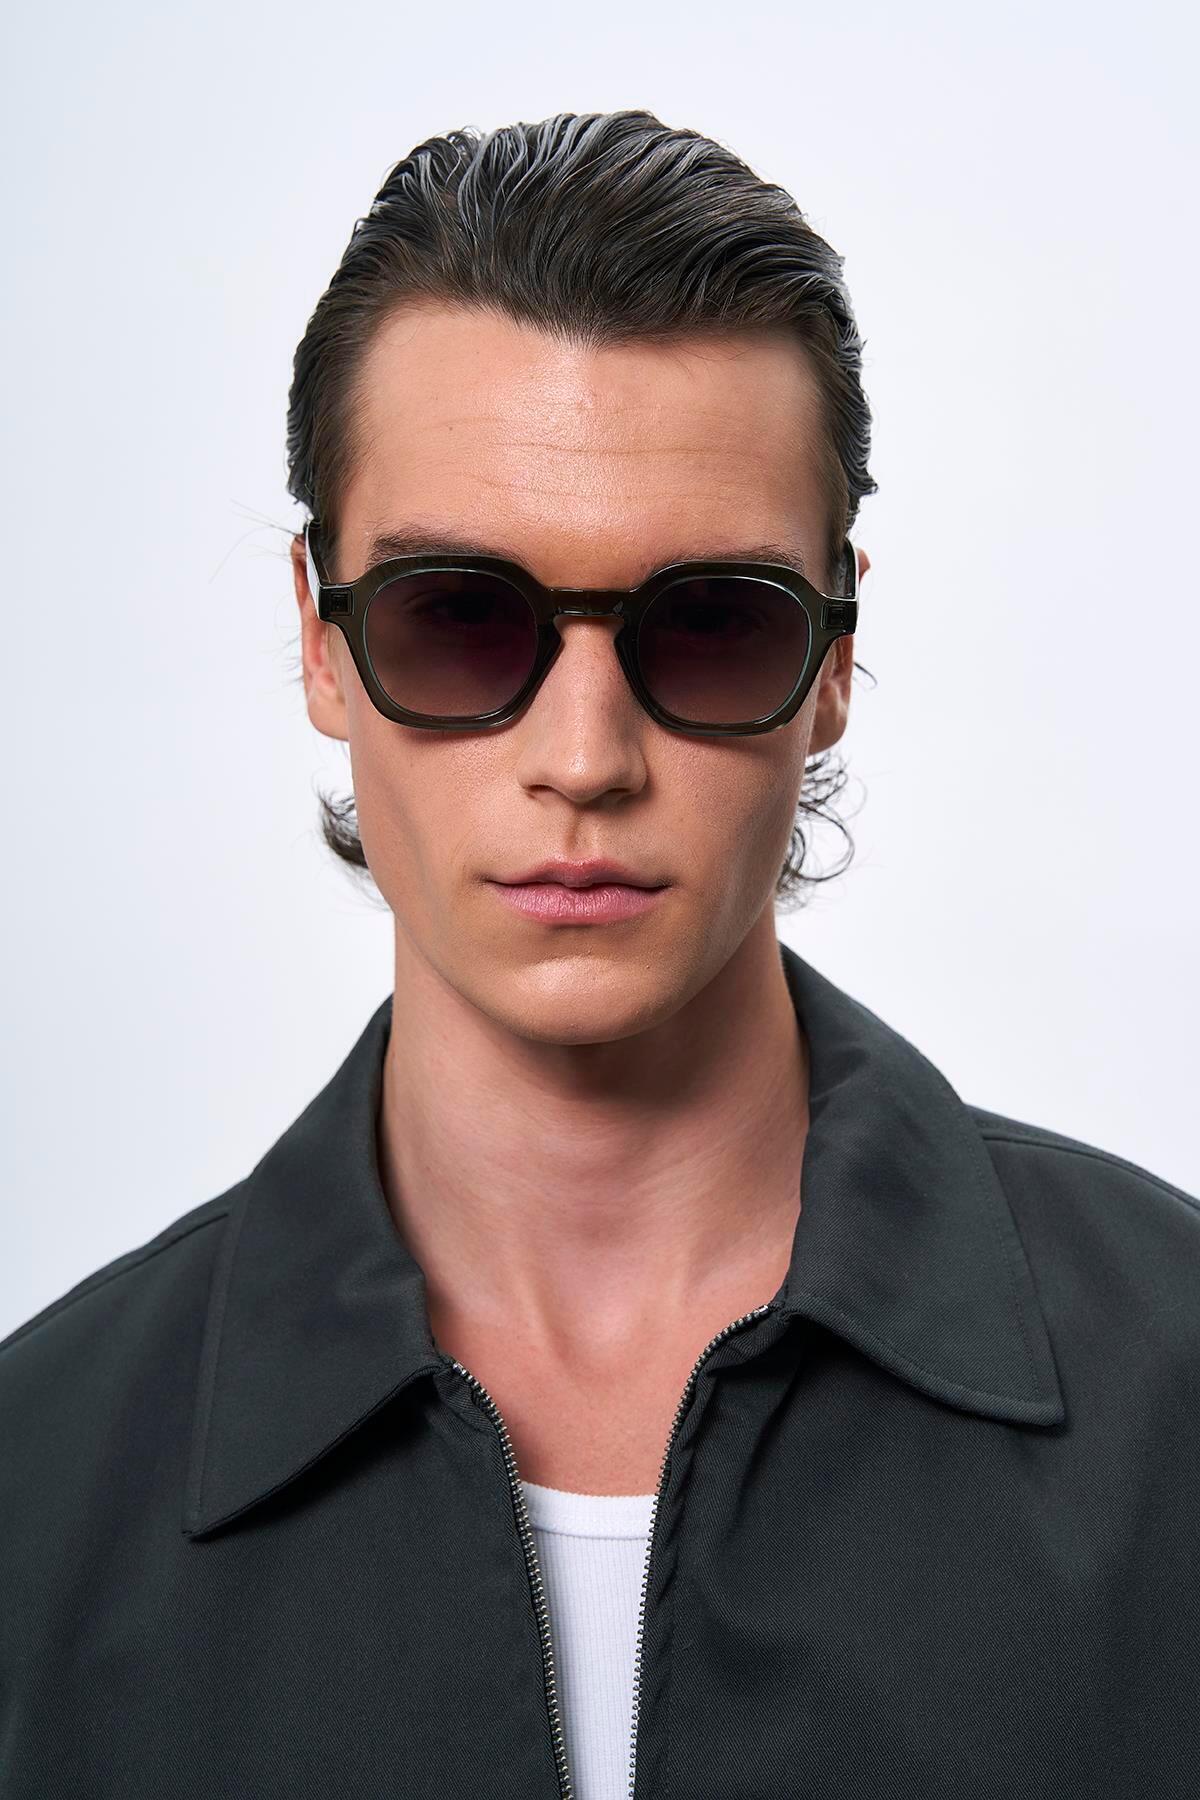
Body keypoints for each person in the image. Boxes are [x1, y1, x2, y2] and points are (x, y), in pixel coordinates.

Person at [2, 110, 1197, 1800]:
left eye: (711, 627)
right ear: (319, 643)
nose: (584, 758)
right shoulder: (41, 1487)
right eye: (457, 617)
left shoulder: (1177, 1402)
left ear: (833, 661)